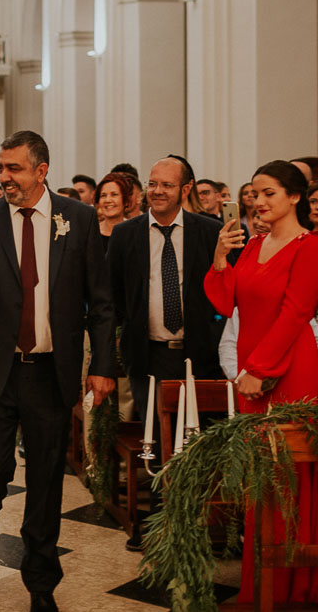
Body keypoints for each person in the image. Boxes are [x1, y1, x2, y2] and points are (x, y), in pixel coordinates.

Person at [0, 131, 115, 612]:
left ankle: (41, 580)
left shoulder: (77, 219)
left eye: (13, 168)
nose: (3, 178)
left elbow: (100, 302)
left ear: (41, 171)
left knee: (45, 480)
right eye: (0, 167)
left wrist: (102, 365)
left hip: (49, 373)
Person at [206, 160, 318, 606]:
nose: (259, 202)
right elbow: (226, 302)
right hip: (254, 365)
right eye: (255, 194)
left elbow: (296, 313)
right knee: (261, 479)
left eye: (268, 193)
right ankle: (264, 582)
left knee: (288, 476)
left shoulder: (311, 248)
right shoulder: (254, 244)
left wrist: (260, 371)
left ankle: (296, 585)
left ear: (295, 197)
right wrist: (220, 257)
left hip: (290, 370)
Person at [107, 158, 225, 460]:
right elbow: (115, 294)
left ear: (186, 189)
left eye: (167, 185)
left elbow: (223, 292)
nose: (157, 191)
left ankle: (195, 505)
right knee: (156, 441)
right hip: (149, 354)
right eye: (153, 184)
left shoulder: (210, 232)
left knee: (200, 439)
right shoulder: (125, 235)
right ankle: (159, 504)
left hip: (200, 353)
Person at [96, 172, 133, 247]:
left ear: (125, 201)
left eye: (114, 194)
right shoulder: (92, 232)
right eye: (103, 195)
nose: (108, 200)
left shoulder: (134, 233)